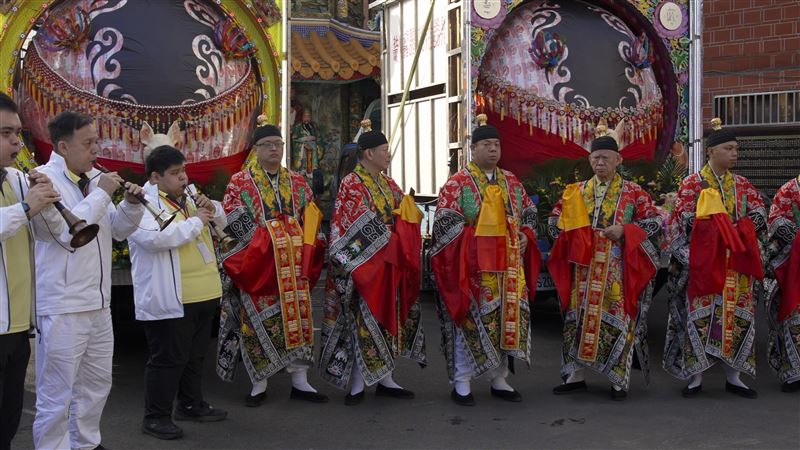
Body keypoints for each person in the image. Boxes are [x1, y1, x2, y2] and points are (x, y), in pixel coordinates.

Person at [32, 111, 145, 450]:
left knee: (96, 384)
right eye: (88, 143)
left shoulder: (95, 179)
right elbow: (68, 234)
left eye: (97, 141)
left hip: (99, 302)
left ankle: (86, 443)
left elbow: (119, 231)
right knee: (57, 391)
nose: (97, 149)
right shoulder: (43, 181)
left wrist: (131, 204)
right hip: (63, 305)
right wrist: (102, 194)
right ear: (63, 146)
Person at [429, 113, 542, 406]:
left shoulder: (512, 182)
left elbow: (529, 212)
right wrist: (477, 238)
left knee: (506, 321)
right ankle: (462, 381)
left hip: (508, 271)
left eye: (497, 145)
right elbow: (443, 224)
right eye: (487, 144)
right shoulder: (458, 184)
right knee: (469, 321)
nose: (493, 149)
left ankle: (499, 377)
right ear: (473, 149)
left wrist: (526, 236)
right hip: (474, 270)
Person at [216, 116, 327, 405]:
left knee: (300, 320)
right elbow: (233, 220)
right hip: (261, 266)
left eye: (278, 144)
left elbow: (310, 215)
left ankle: (300, 381)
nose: (274, 150)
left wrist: (308, 238)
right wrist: (268, 237)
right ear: (255, 149)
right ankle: (259, 383)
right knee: (256, 322)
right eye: (267, 145)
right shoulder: (240, 182)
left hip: (293, 265)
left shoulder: (297, 182)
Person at [548, 127, 661, 400]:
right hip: (582, 269)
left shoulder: (634, 193)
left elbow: (654, 221)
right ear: (589, 161)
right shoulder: (575, 191)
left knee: (617, 320)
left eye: (606, 158)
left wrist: (624, 230)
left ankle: (617, 379)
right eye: (596, 158)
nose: (600, 163)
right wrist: (568, 234)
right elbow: (554, 221)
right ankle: (575, 375)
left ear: (618, 160)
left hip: (616, 268)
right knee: (576, 319)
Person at [318, 120, 426, 405]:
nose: (388, 154)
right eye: (384, 150)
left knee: (385, 320)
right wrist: (388, 231)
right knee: (361, 320)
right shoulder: (351, 184)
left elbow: (402, 211)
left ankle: (386, 377)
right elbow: (353, 223)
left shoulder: (389, 183)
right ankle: (357, 382)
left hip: (388, 264)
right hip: (365, 265)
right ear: (368, 153)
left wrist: (407, 211)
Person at [128, 146, 228, 440]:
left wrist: (212, 209)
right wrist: (198, 220)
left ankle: (190, 403)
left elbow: (221, 219)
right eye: (175, 173)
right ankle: (155, 417)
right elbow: (159, 239)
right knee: (167, 359)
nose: (183, 178)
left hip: (204, 292)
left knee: (195, 357)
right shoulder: (142, 203)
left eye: (183, 171)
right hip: (171, 297)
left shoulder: (186, 198)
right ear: (156, 177)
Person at [663, 118, 766, 399]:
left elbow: (759, 213)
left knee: (737, 319)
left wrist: (742, 229)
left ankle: (735, 376)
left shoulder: (743, 185)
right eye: (729, 148)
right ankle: (696, 377)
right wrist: (714, 232)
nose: (735, 153)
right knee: (700, 318)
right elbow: (680, 220)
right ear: (712, 152)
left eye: (736, 149)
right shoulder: (691, 185)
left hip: (736, 266)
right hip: (706, 264)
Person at [0, 93, 63, 450]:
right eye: (6, 133)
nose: (16, 142)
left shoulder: (15, 179)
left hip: (18, 327)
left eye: (18, 133)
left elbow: (46, 234)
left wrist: (50, 202)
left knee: (8, 422)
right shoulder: (20, 193)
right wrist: (27, 207)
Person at [766, 174, 800, 393]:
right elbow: (776, 221)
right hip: (795, 265)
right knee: (794, 318)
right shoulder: (790, 190)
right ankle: (794, 372)